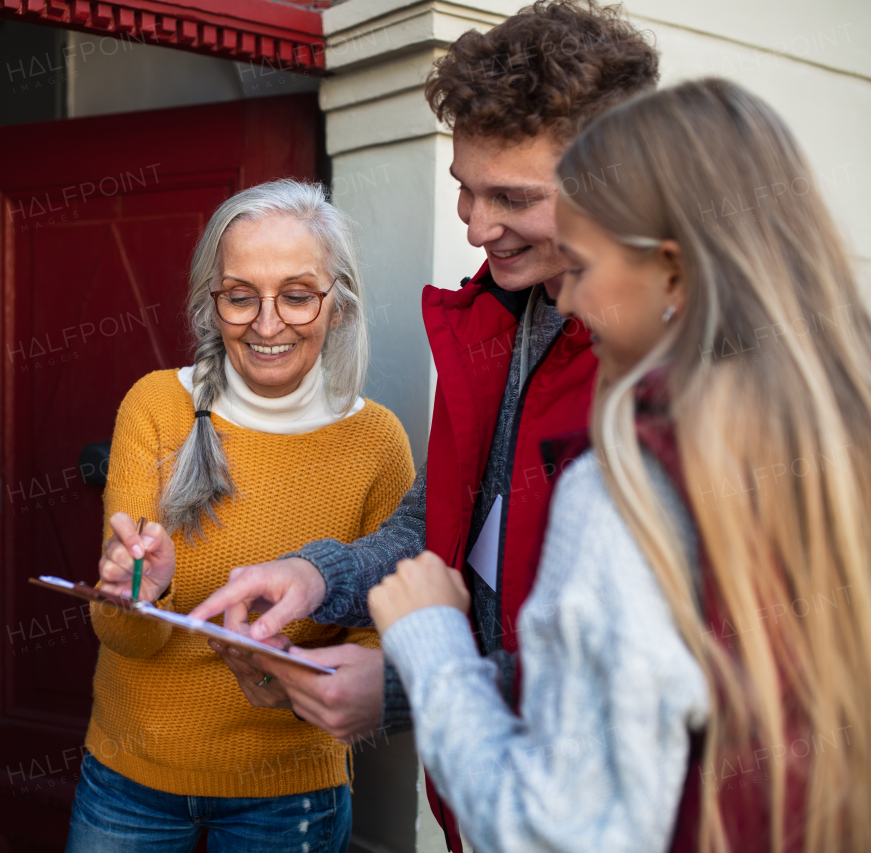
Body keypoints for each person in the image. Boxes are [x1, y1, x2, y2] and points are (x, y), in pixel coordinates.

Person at [191, 2, 658, 845]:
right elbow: (450, 518)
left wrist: (409, 684)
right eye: (464, 191)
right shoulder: (500, 313)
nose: (477, 228)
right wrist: (316, 575)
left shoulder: (667, 361)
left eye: (512, 197)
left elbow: (653, 670)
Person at [369, 77, 871, 852]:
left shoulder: (625, 487)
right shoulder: (834, 441)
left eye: (583, 262)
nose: (566, 296)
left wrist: (431, 646)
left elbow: (554, 829)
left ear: (671, 272)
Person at [65, 179, 415, 853]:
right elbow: (124, 634)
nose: (266, 322)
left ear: (337, 305)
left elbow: (382, 633)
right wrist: (143, 590)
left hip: (290, 793)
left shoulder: (378, 442)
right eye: (240, 295)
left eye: (296, 293)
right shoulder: (155, 408)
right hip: (131, 775)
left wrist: (301, 677)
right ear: (212, 304)